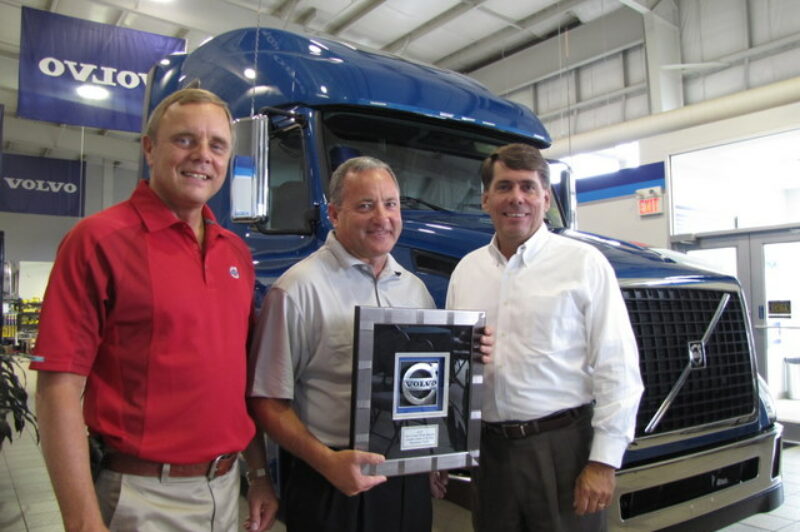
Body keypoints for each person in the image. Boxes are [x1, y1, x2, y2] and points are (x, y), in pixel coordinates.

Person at [31, 88, 278, 532]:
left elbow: (238, 383)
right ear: (149, 148)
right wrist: (83, 521)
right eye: (185, 140)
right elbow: (57, 390)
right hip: (140, 498)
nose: (203, 155)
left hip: (224, 492)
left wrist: (257, 474)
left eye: (217, 145)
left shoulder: (235, 253)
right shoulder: (97, 242)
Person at [247, 156, 491, 532]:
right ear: (333, 213)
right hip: (328, 481)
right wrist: (327, 462)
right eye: (365, 206)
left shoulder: (415, 290)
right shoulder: (297, 290)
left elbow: (425, 387)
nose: (383, 217)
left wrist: (433, 451)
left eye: (391, 204)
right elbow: (267, 402)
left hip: (405, 482)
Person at [446, 143, 644, 532]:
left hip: (561, 451)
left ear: (545, 198)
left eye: (528, 187)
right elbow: (453, 367)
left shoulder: (584, 264)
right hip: (489, 453)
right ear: (486, 198)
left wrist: (603, 462)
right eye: (504, 187)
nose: (516, 198)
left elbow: (617, 367)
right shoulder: (466, 272)